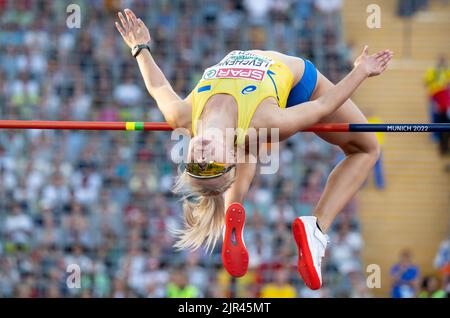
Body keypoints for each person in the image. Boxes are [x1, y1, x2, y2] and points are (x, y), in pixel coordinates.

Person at [115, 8, 392, 290]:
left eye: (195, 164)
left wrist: (139, 47)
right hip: (302, 86)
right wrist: (360, 72)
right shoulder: (265, 121)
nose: (201, 156)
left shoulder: (182, 116)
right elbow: (322, 106)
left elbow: (158, 85)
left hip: (251, 122)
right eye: (210, 165)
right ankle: (317, 228)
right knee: (367, 148)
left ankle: (233, 210)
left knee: (247, 142)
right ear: (229, 159)